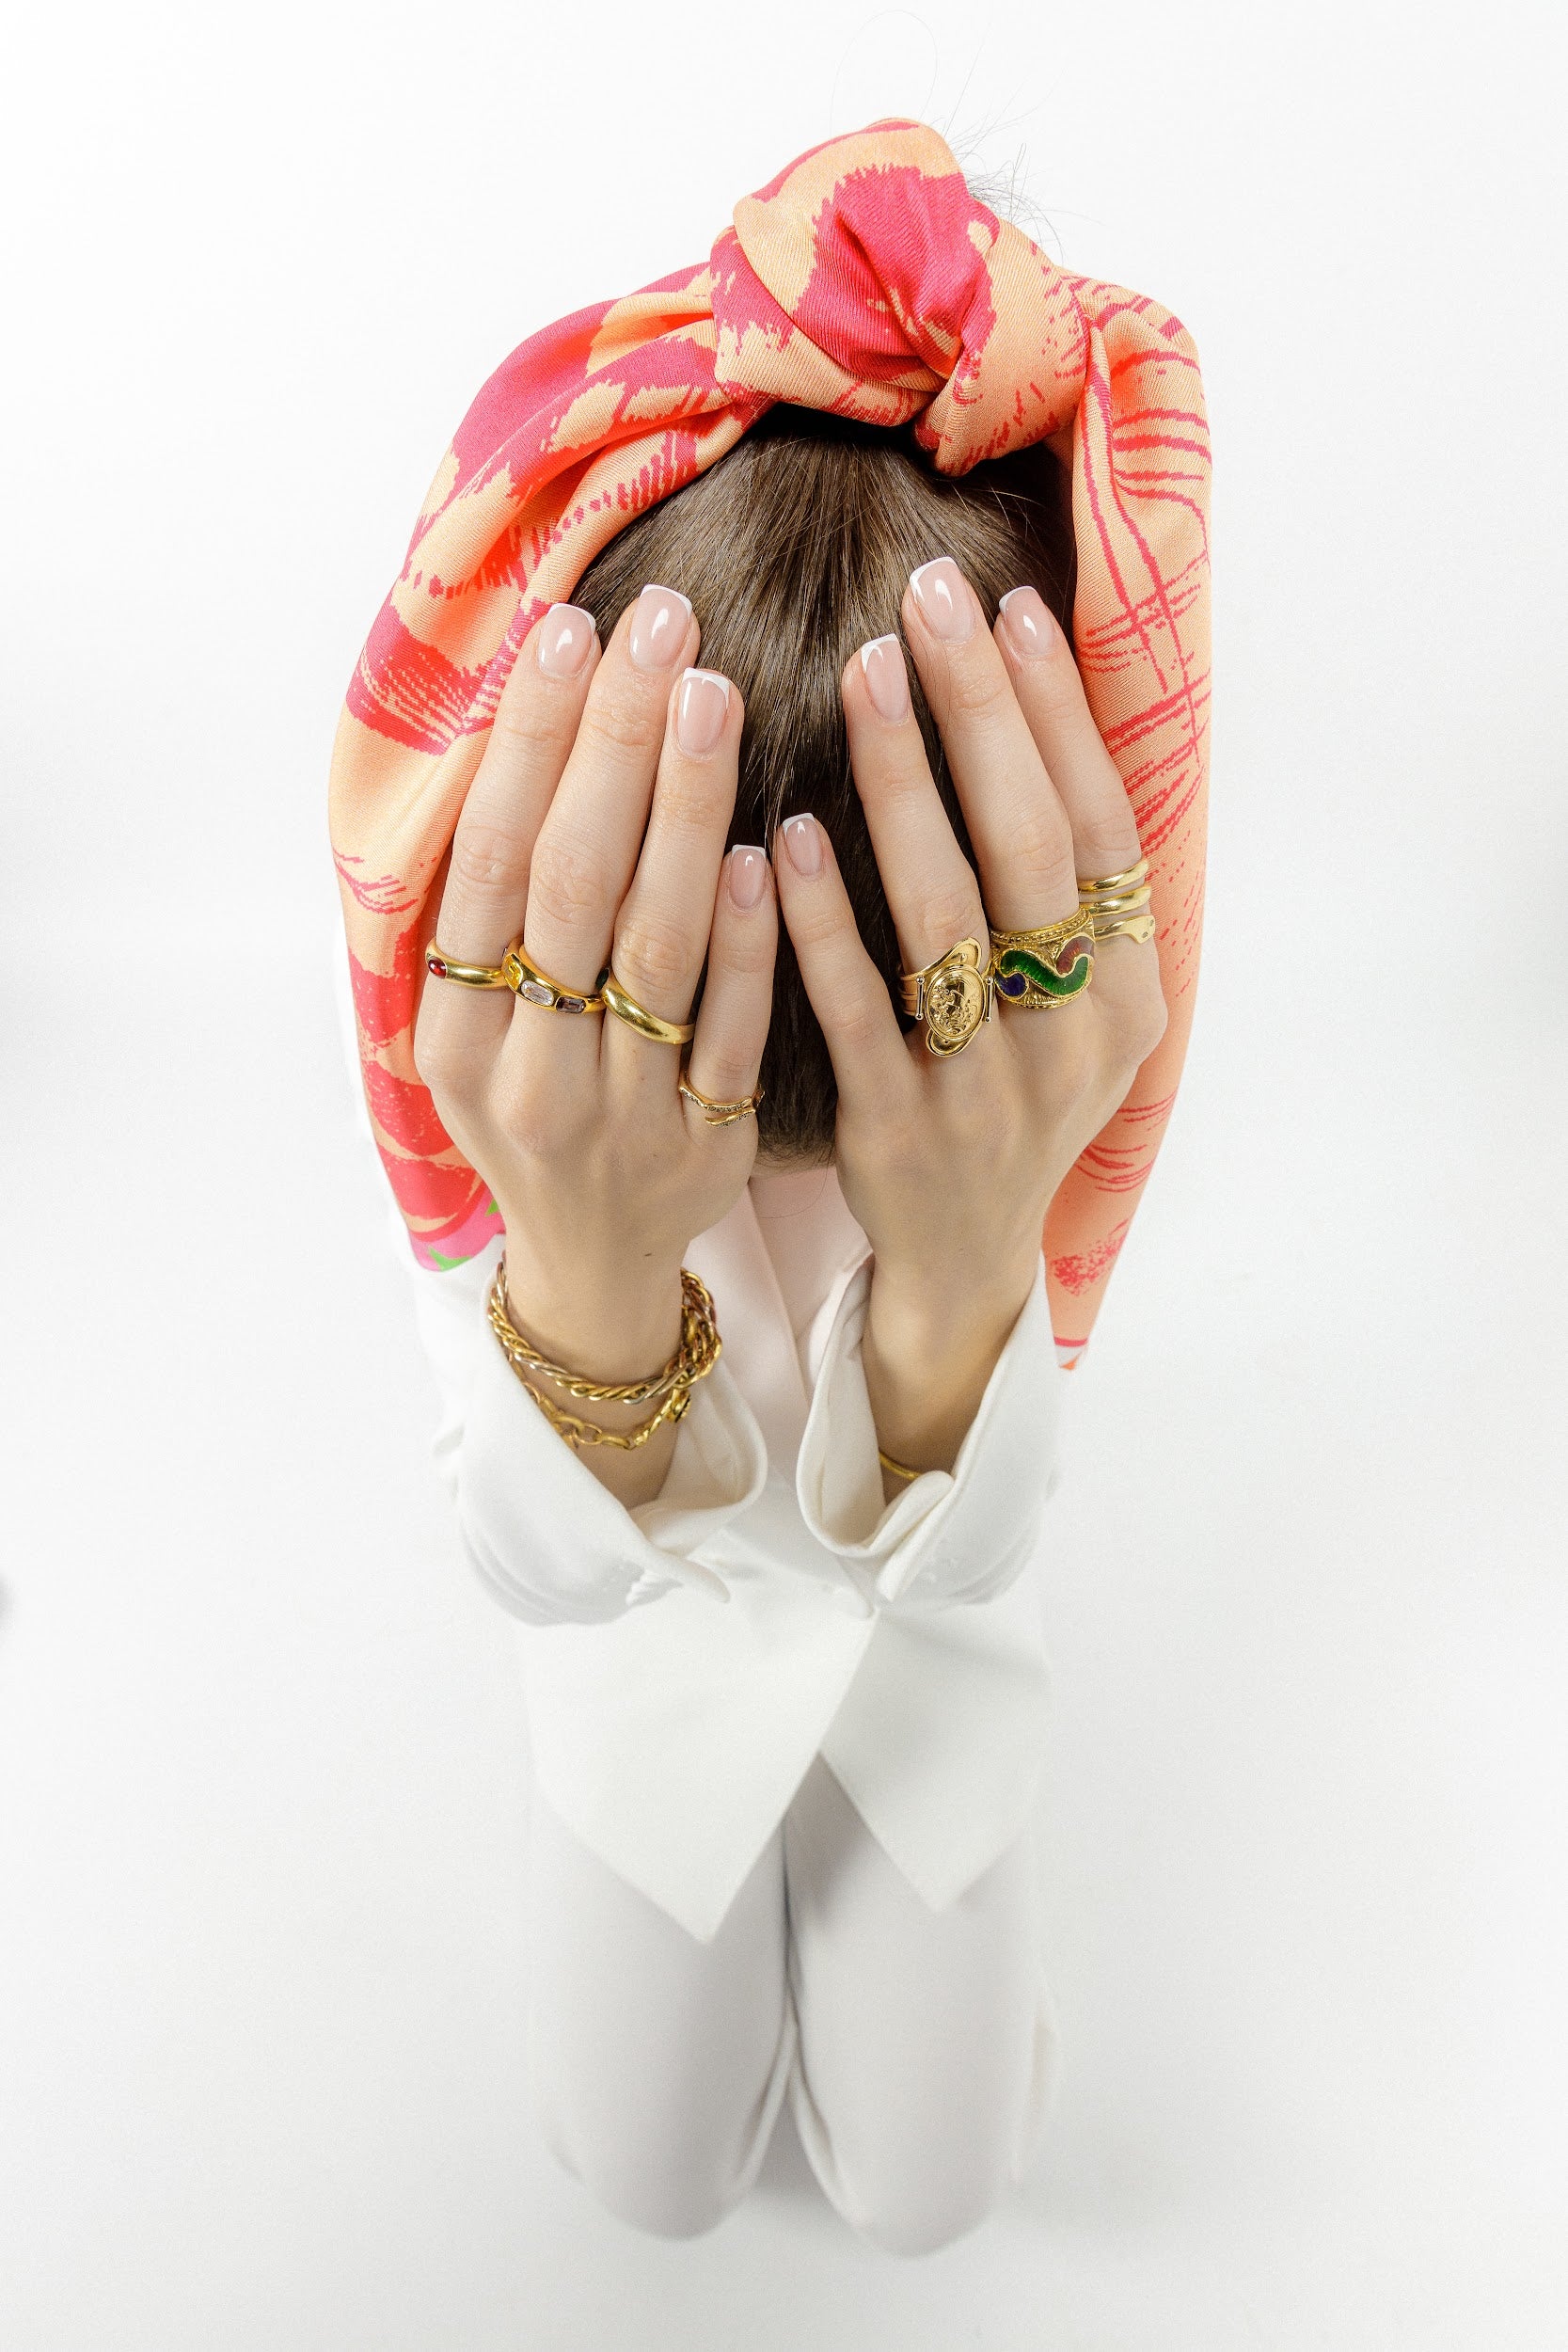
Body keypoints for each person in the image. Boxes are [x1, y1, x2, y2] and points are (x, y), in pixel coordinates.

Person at [333, 397, 1170, 2254]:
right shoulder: (457, 962)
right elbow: (539, 1556)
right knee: (647, 2167)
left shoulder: (1072, 955)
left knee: (935, 2188)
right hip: (646, 1621)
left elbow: (988, 1523)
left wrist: (965, 1275)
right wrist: (585, 1283)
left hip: (930, 1621)